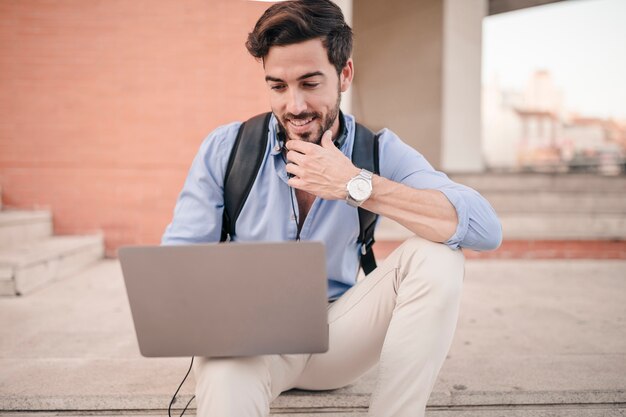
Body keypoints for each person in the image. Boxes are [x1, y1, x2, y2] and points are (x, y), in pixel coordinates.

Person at [161, 1, 502, 416]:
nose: (295, 105)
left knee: (439, 257)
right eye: (278, 86)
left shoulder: (377, 150)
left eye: (310, 83)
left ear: (344, 75)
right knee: (225, 372)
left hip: (337, 339)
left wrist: (356, 186)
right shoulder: (227, 148)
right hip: (249, 345)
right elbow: (175, 269)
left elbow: (484, 228)